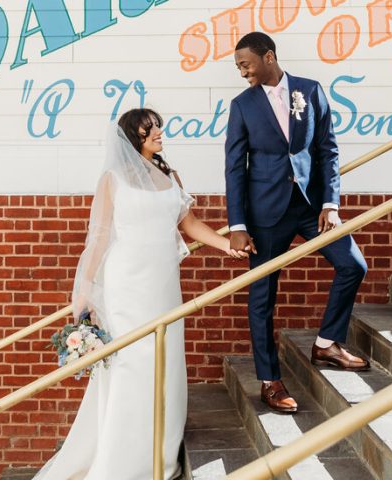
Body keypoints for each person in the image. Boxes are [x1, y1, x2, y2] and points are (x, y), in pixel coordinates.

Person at [33, 108, 244, 480]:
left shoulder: (169, 175)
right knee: (133, 363)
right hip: (126, 282)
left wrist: (226, 246)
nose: (160, 132)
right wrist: (83, 291)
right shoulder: (112, 180)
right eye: (151, 128)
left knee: (164, 359)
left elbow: (189, 224)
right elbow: (98, 238)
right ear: (134, 136)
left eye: (159, 126)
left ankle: (160, 453)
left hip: (163, 283)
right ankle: (123, 459)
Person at [225, 32, 369, 414]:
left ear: (268, 57)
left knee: (353, 264)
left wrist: (330, 203)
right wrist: (237, 223)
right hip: (264, 214)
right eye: (239, 66)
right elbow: (235, 168)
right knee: (262, 298)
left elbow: (327, 149)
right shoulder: (241, 106)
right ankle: (270, 380)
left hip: (310, 207)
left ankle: (326, 343)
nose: (242, 72)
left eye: (246, 64)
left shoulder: (310, 90)